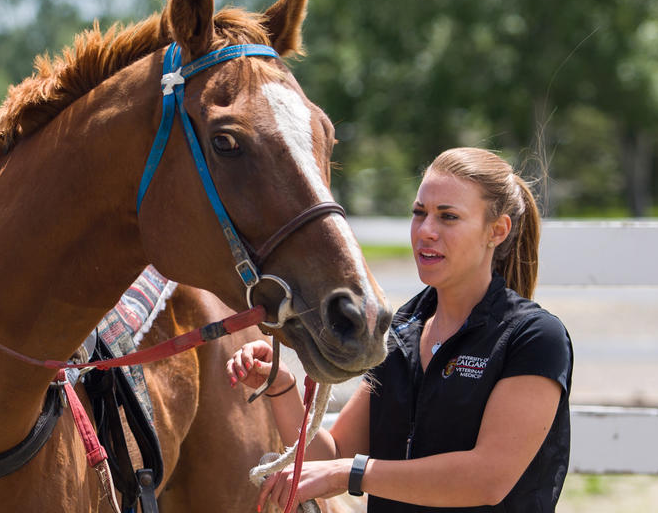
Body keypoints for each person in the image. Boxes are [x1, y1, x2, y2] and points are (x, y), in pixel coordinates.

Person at [228, 147, 572, 512]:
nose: (426, 231)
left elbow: (487, 479)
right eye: (419, 213)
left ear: (497, 231)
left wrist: (350, 473)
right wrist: (282, 387)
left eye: (448, 217)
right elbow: (333, 454)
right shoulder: (402, 330)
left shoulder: (534, 337)